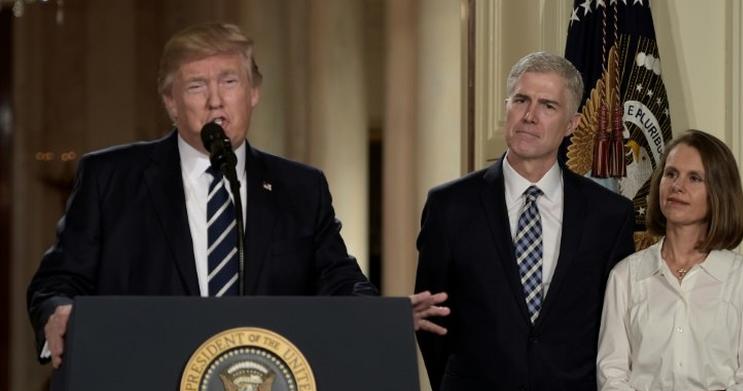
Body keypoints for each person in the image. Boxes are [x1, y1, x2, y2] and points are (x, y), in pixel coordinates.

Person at [27, 22, 448, 369]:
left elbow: (338, 281)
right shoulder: (111, 178)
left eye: (229, 81)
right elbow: (57, 282)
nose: (215, 101)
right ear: (171, 103)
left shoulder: (301, 189)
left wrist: (383, 317)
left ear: (253, 93)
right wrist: (57, 313)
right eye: (196, 86)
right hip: (145, 386)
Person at [414, 51, 635, 391]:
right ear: (507, 107)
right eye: (521, 100)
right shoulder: (449, 206)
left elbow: (614, 330)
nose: (529, 115)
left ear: (572, 124)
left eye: (548, 105)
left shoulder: (609, 215)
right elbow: (434, 324)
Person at [596, 129, 743, 391]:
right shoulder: (626, 276)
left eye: (694, 178)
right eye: (671, 174)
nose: (677, 186)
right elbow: (611, 375)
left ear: (719, 191)